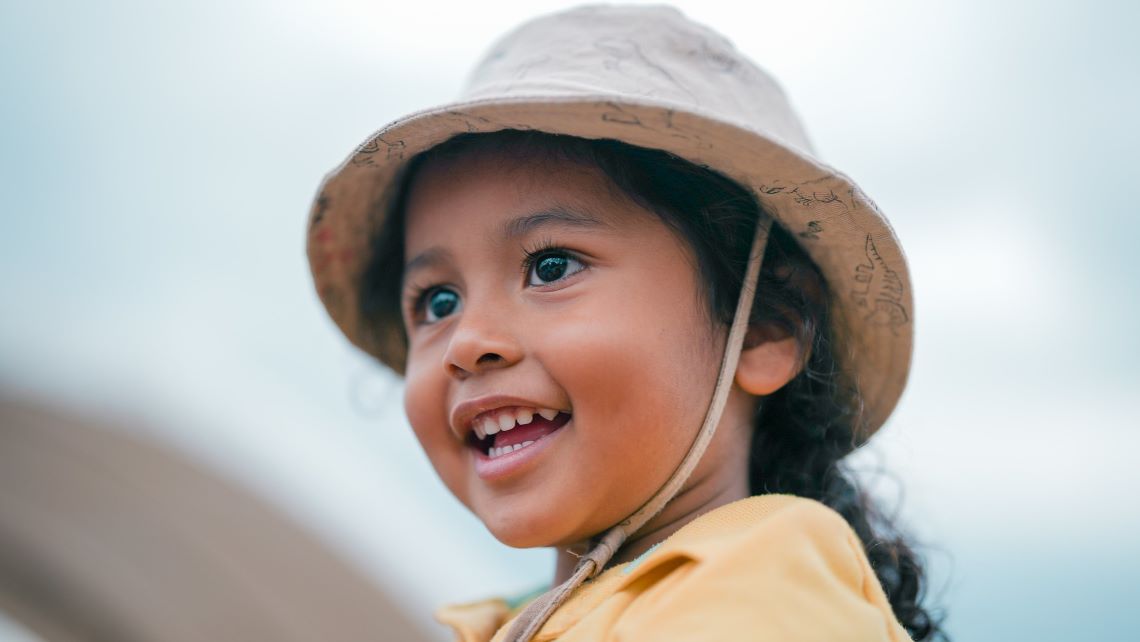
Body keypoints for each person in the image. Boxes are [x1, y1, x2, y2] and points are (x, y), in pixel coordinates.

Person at [306, 5, 945, 641]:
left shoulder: (760, 598)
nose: (468, 343)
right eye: (437, 302)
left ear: (764, 326)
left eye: (550, 266)